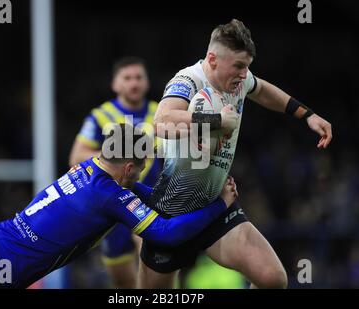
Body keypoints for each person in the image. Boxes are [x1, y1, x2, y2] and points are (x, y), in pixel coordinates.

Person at [138, 19, 332, 289]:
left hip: (216, 205)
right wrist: (217, 120)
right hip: (172, 214)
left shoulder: (239, 82)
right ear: (213, 59)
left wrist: (306, 115)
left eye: (247, 66)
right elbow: (161, 122)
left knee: (273, 279)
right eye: (239, 66)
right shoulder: (188, 80)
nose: (244, 74)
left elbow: (263, 90)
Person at [0, 124, 238, 289]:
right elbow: (166, 234)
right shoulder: (110, 197)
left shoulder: (90, 165)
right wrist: (220, 205)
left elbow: (139, 191)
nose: (142, 172)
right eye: (141, 166)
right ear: (130, 166)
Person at [69, 57, 162, 288]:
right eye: (127, 78)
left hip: (151, 199)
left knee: (158, 271)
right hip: (116, 202)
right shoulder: (101, 115)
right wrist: (119, 152)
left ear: (147, 82)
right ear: (115, 84)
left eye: (139, 77)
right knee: (123, 282)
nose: (134, 83)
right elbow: (77, 157)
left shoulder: (161, 113)